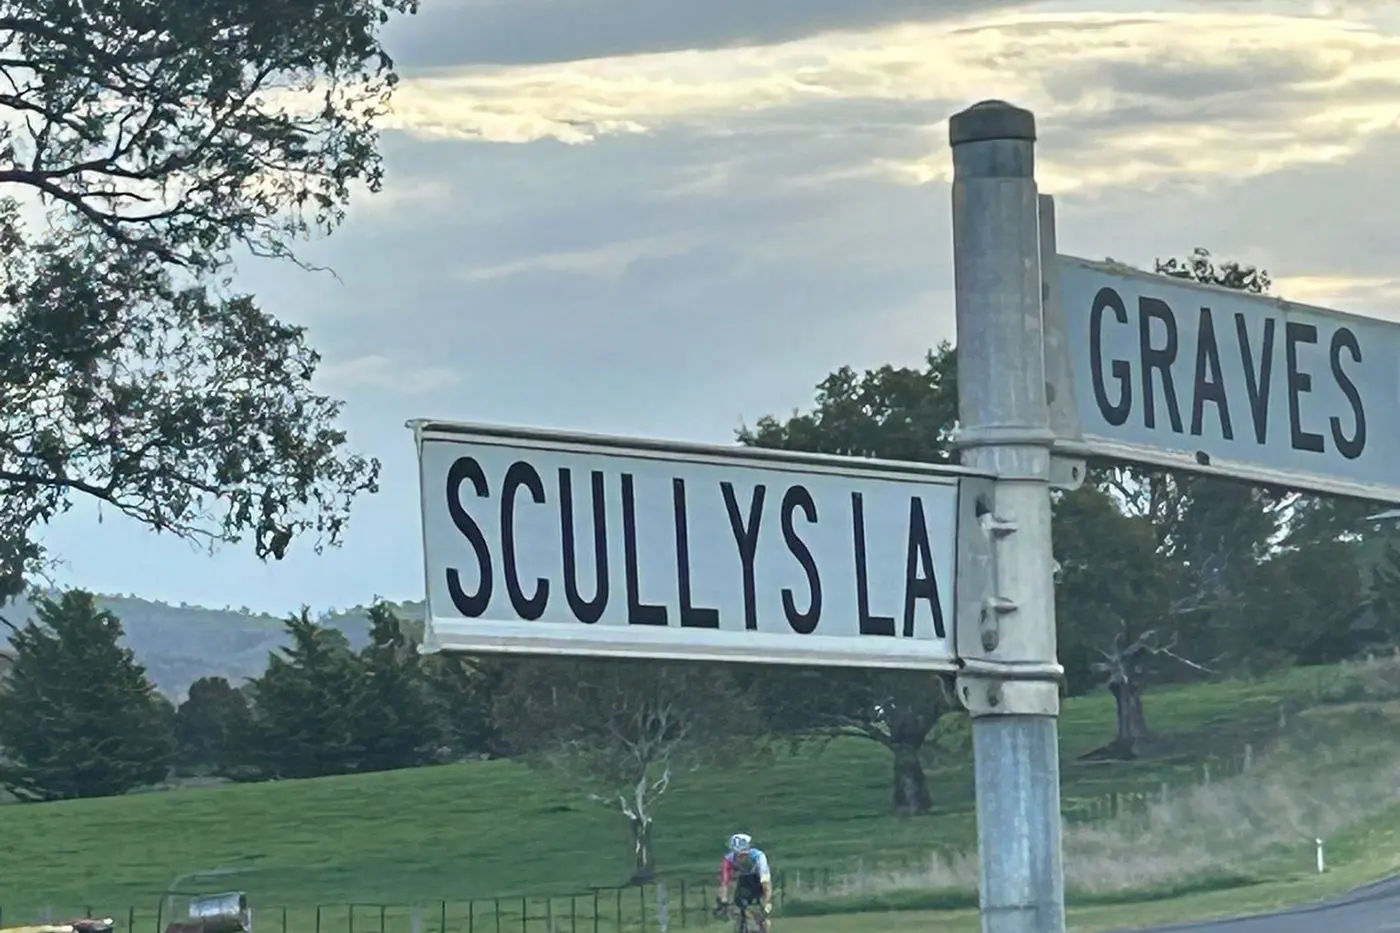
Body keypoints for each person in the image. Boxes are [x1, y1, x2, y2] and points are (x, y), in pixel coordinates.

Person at [714, 832, 772, 931]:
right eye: (738, 855)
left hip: (758, 881)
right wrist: (723, 901)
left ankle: (762, 924)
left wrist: (767, 903)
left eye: (744, 855)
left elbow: (766, 884)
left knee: (763, 916)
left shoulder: (759, 857)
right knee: (738, 906)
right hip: (744, 881)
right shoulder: (729, 859)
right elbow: (724, 882)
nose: (741, 859)